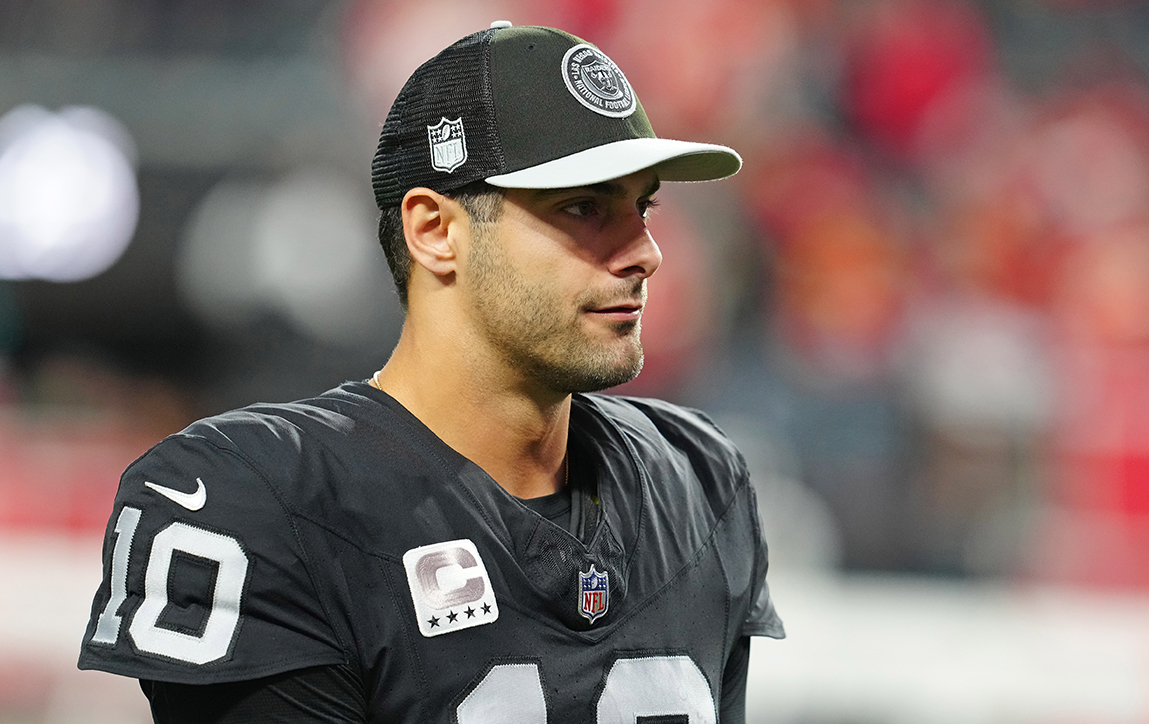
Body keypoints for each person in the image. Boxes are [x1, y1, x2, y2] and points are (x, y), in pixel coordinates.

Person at [78, 21, 783, 723]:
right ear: (435, 231)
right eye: (583, 208)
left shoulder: (699, 482)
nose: (646, 252)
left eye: (643, 206)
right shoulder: (261, 501)